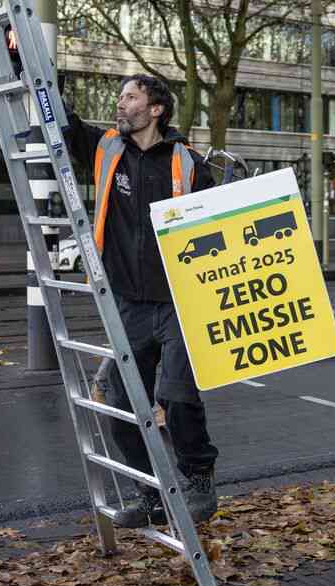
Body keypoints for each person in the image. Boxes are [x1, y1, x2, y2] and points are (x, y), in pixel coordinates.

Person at [63, 74, 220, 527]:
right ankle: (150, 493)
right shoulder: (106, 147)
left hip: (176, 303)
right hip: (128, 303)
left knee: (176, 396)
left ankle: (198, 477)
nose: (120, 103)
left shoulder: (188, 163)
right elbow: (64, 124)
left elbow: (218, 229)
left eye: (130, 97)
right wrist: (26, 67)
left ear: (155, 110)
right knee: (118, 398)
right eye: (120, 97)